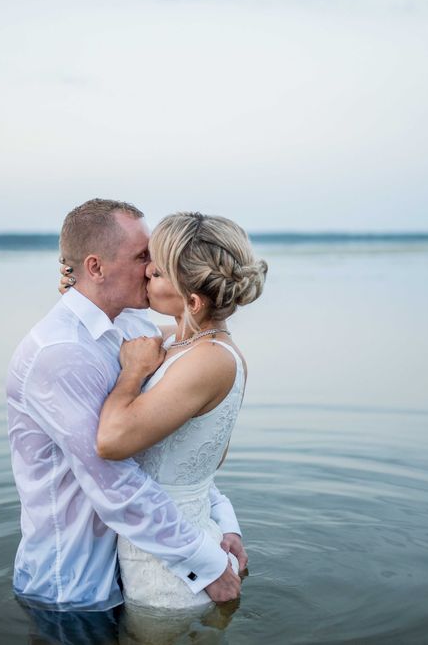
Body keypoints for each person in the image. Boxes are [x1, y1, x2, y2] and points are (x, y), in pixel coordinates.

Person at [5, 200, 244, 633]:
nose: (150, 269)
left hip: (136, 569)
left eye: (155, 260)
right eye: (142, 258)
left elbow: (171, 456)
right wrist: (208, 565)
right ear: (96, 267)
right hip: (74, 589)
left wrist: (223, 523)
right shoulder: (61, 354)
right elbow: (115, 480)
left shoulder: (135, 331)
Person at [90, 211, 268, 612]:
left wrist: (132, 373)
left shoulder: (208, 361)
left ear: (191, 300)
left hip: (171, 569)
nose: (147, 271)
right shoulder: (179, 343)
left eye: (158, 271)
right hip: (165, 541)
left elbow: (111, 441)